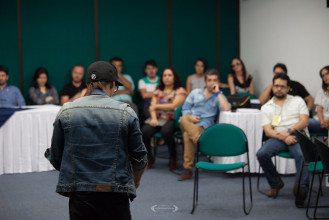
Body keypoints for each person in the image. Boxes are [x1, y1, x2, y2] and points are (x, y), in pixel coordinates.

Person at [45, 61, 147, 220]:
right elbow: (140, 159)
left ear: (88, 84)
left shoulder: (66, 111)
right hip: (115, 192)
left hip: (79, 194)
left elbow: (57, 157)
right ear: (113, 84)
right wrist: (135, 182)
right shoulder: (127, 112)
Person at [256, 73, 309, 205]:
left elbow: (304, 122)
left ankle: (301, 190)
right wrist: (284, 137)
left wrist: (289, 131)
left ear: (288, 88)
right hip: (278, 138)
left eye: (282, 86)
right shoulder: (266, 107)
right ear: (272, 87)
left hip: (297, 135)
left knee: (301, 156)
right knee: (261, 154)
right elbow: (268, 131)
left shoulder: (298, 100)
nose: (279, 89)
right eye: (276, 86)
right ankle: (276, 183)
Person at [178, 69, 230, 181]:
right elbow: (185, 108)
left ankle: (187, 169)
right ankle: (199, 140)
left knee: (187, 135)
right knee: (184, 119)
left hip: (204, 127)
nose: (212, 83)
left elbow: (226, 108)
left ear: (218, 82)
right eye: (210, 80)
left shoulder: (219, 97)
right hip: (189, 121)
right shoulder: (195, 92)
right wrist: (190, 117)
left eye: (215, 80)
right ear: (205, 82)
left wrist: (218, 92)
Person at [141, 67, 187, 170]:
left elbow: (173, 106)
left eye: (169, 75)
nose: (167, 78)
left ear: (174, 77)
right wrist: (153, 119)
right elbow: (151, 107)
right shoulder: (157, 91)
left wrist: (157, 106)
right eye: (165, 75)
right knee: (144, 131)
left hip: (172, 119)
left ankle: (173, 157)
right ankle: (149, 157)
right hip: (158, 118)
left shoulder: (180, 91)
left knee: (165, 132)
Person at [308, 66, 329, 134]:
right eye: (323, 76)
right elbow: (319, 109)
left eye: (327, 74)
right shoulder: (321, 91)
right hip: (320, 122)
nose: (325, 77)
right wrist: (322, 121)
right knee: (303, 122)